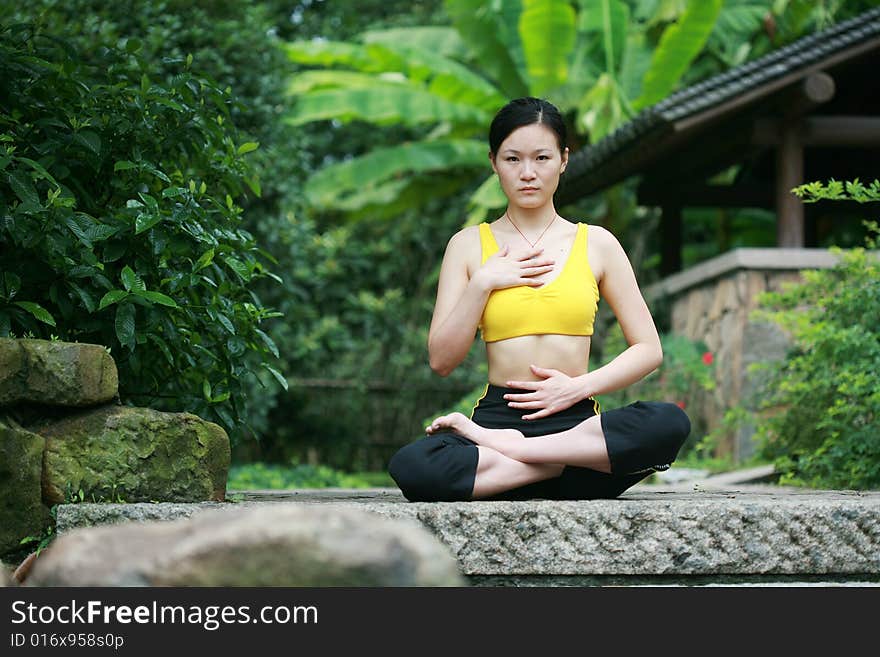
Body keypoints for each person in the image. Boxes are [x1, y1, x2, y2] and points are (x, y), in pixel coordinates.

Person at [388, 97, 690, 502]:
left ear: (563, 160)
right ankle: (553, 467)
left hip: (575, 427)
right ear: (494, 162)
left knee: (668, 423)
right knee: (412, 467)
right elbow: (442, 361)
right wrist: (482, 283)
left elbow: (649, 349)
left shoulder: (598, 244)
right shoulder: (466, 246)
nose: (528, 173)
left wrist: (576, 389)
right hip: (502, 424)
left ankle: (523, 460)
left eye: (541, 158)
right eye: (513, 159)